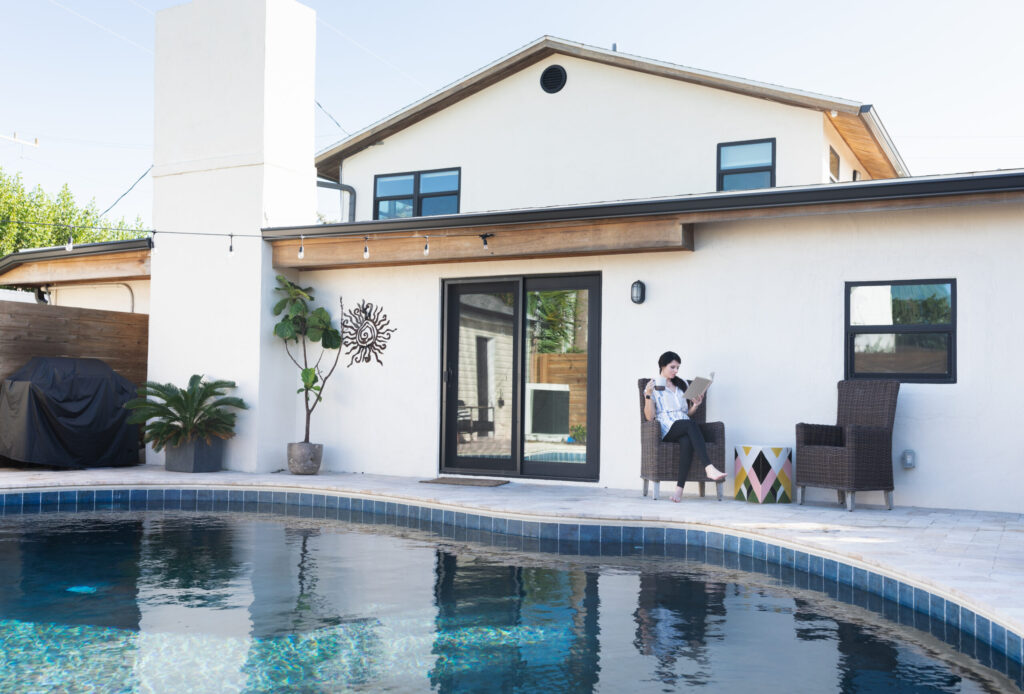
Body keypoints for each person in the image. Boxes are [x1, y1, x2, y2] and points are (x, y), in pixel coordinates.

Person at [643, 350, 726, 503]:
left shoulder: (682, 384)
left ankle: (679, 491)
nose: (676, 371)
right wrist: (648, 395)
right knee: (690, 425)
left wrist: (696, 405)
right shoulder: (652, 386)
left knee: (687, 440)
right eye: (672, 367)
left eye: (678, 368)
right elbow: (650, 417)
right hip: (666, 427)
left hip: (684, 423)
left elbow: (686, 413)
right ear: (662, 366)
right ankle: (709, 467)